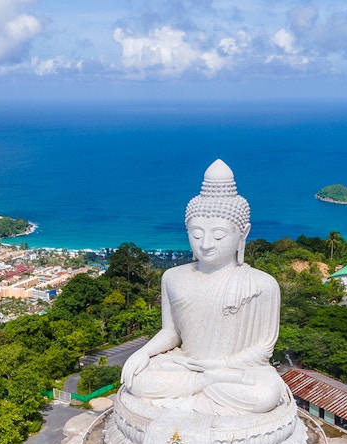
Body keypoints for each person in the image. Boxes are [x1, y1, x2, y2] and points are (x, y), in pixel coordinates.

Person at [121, 159, 287, 416]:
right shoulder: (172, 277)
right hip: (188, 366)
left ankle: (200, 388)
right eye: (196, 234)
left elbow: (263, 349)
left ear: (243, 233)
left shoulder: (262, 285)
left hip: (234, 372)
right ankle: (202, 386)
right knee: (138, 379)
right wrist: (143, 353)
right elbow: (171, 333)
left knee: (265, 396)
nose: (206, 244)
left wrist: (218, 367)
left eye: (219, 235)